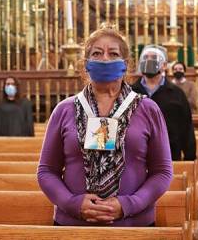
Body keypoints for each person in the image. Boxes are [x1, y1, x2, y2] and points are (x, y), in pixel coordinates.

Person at [37, 23, 173, 227]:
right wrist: (73, 204)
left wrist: (128, 204)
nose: (105, 59)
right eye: (97, 53)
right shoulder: (64, 110)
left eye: (113, 53)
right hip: (73, 224)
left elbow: (162, 171)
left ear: (126, 63)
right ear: (85, 63)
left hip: (133, 225)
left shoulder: (148, 109)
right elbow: (46, 171)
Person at [132, 45, 196, 161]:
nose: (149, 60)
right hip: (136, 157)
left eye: (154, 57)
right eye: (145, 57)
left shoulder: (176, 93)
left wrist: (189, 158)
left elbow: (186, 127)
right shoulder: (130, 92)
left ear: (164, 65)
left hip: (169, 155)